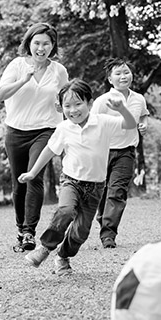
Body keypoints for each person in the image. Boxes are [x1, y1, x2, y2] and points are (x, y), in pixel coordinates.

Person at [19, 79, 137, 274]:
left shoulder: (103, 122)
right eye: (67, 106)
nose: (73, 110)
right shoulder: (64, 128)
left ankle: (63, 257)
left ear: (90, 103)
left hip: (96, 186)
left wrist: (122, 109)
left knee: (81, 231)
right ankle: (45, 248)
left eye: (78, 104)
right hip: (71, 181)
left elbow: (130, 124)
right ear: (61, 108)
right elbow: (50, 150)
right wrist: (33, 172)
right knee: (65, 211)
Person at [0, 22, 69, 252]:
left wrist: (62, 107)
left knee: (34, 176)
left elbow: (66, 103)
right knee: (19, 182)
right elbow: (0, 95)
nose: (41, 48)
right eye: (37, 42)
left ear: (52, 46)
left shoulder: (58, 70)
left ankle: (29, 231)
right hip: (16, 131)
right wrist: (23, 80)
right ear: (29, 43)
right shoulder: (17, 65)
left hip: (46, 130)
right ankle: (21, 230)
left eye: (46, 43)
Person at [92, 58, 149, 249]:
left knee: (117, 192)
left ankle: (108, 233)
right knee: (101, 191)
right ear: (110, 79)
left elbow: (142, 115)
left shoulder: (138, 98)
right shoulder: (102, 102)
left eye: (126, 72)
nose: (123, 76)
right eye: (118, 73)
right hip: (102, 151)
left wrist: (145, 124)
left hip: (126, 152)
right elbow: (90, 124)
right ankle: (104, 217)